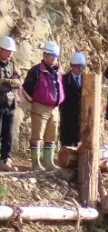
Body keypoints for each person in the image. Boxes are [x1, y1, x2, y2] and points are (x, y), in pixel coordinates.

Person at [22, 42, 64, 170]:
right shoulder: (36, 71)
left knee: (51, 136)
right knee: (37, 135)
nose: (53, 58)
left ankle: (48, 162)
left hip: (54, 108)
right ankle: (36, 163)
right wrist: (34, 102)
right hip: (40, 106)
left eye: (55, 56)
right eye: (51, 55)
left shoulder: (57, 71)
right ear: (45, 55)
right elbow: (26, 89)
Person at [0, 36, 21, 171]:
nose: (10, 54)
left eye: (11, 51)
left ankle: (5, 159)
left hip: (11, 103)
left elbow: (18, 82)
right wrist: (11, 81)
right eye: (8, 51)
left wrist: (6, 81)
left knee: (8, 133)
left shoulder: (13, 64)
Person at [59, 51, 86, 148]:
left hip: (82, 114)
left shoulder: (87, 80)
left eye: (82, 66)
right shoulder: (64, 79)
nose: (80, 69)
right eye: (77, 66)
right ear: (71, 66)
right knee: (67, 137)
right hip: (68, 114)